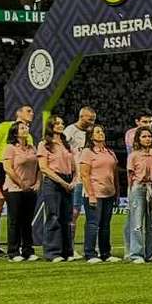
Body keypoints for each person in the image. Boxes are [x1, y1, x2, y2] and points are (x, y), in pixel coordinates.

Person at [0, 105, 35, 256]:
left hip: (21, 172)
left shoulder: (28, 135)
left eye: (32, 111)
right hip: (2, 168)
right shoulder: (3, 127)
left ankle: (20, 247)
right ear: (18, 113)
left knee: (20, 211)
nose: (32, 113)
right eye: (28, 111)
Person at [123, 110, 152, 256]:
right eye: (145, 122)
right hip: (138, 183)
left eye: (150, 122)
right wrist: (131, 190)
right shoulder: (131, 135)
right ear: (137, 122)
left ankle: (151, 252)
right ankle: (134, 252)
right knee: (135, 221)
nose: (148, 125)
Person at [36, 116, 75, 262]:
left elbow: (74, 165)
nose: (60, 125)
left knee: (66, 218)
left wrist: (73, 180)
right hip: (53, 181)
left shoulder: (66, 144)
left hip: (68, 179)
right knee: (54, 216)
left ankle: (67, 251)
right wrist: (62, 182)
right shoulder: (44, 144)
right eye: (57, 123)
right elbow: (44, 168)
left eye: (62, 123)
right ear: (51, 126)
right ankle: (52, 252)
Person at [79, 125, 119, 263]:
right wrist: (91, 195)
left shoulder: (109, 152)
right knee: (93, 223)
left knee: (105, 224)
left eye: (102, 131)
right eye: (97, 132)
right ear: (91, 136)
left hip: (109, 192)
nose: (101, 133)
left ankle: (105, 253)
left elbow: (114, 174)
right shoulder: (87, 152)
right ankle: (90, 253)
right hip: (94, 192)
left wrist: (117, 193)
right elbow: (84, 175)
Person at [2, 121, 39, 262]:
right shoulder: (10, 148)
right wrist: (20, 183)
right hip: (14, 188)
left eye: (27, 127)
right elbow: (8, 168)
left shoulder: (32, 147)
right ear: (15, 133)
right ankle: (13, 251)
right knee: (15, 220)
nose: (26, 129)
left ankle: (28, 250)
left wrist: (37, 182)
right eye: (22, 128)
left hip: (30, 188)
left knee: (27, 221)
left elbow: (39, 167)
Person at [62, 106, 96, 260]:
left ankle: (91, 248)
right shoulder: (70, 131)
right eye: (89, 119)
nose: (92, 122)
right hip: (76, 178)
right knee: (73, 213)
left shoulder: (91, 133)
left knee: (93, 214)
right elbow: (61, 149)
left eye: (93, 119)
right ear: (81, 116)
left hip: (90, 177)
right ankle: (70, 248)